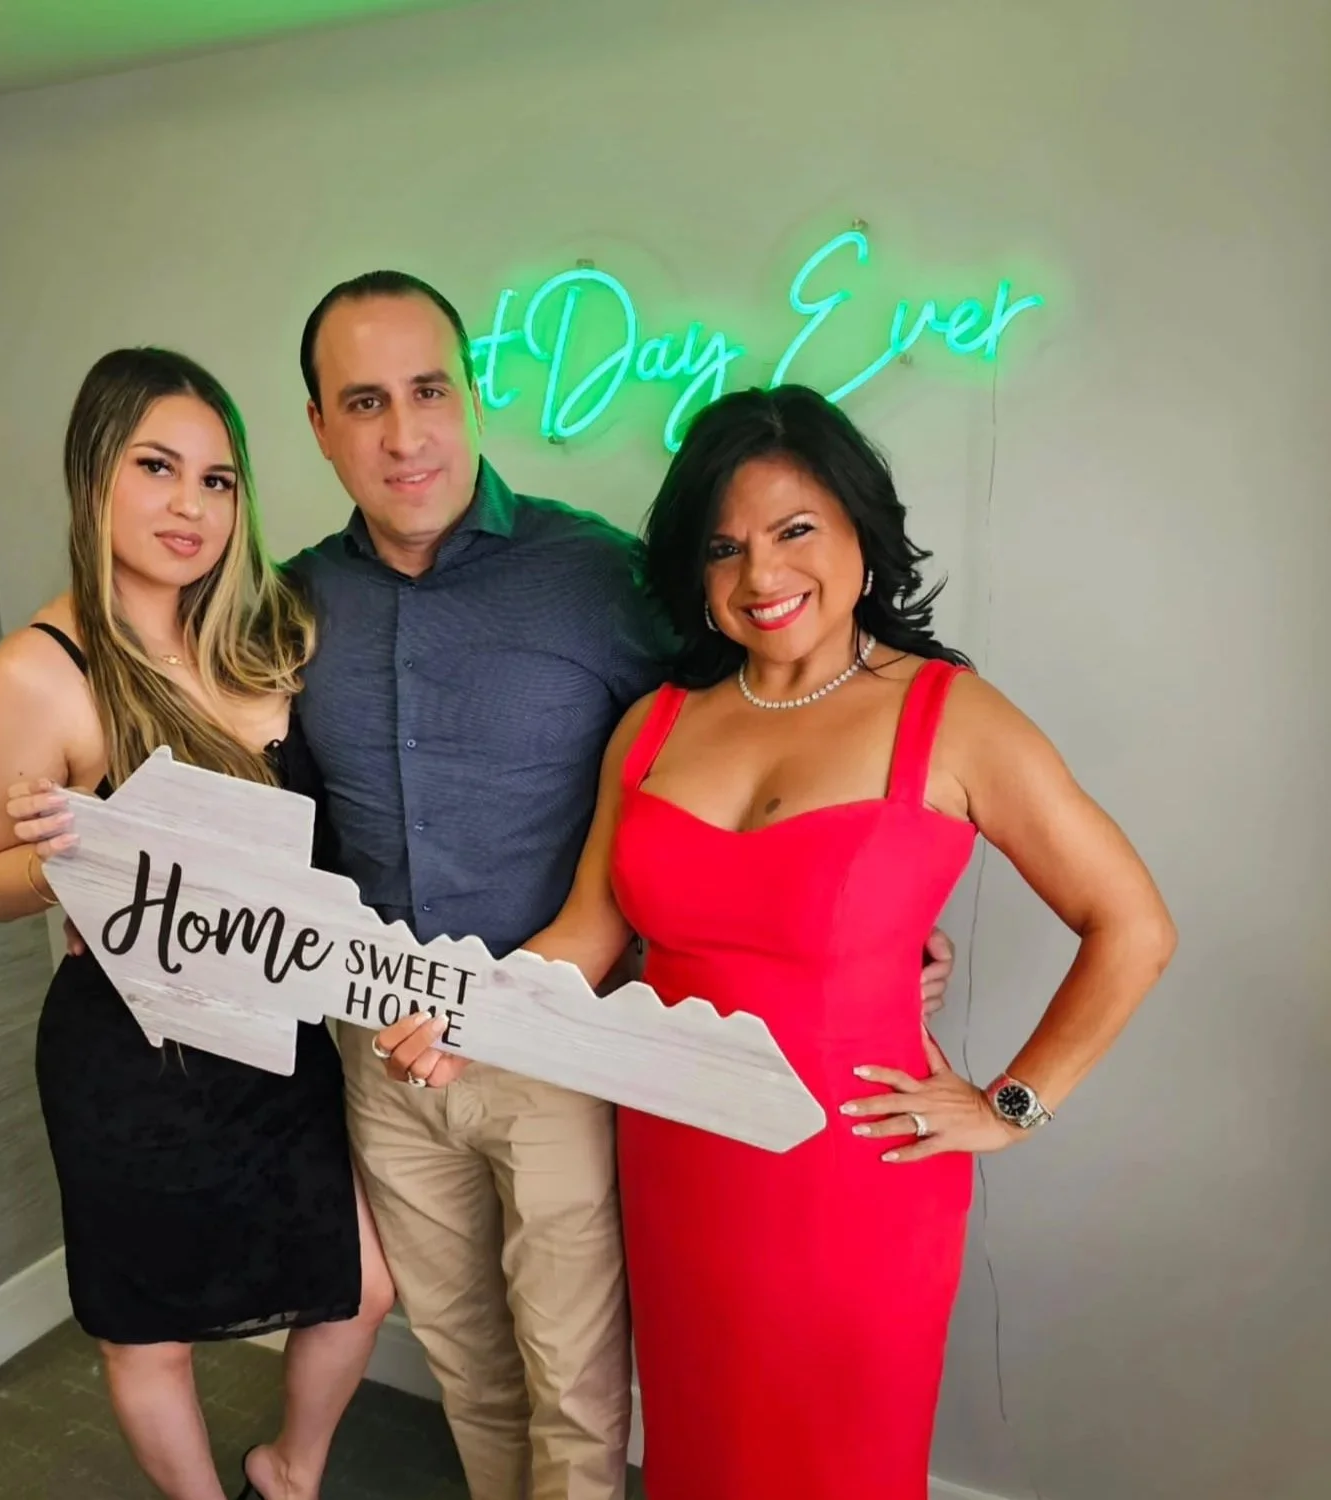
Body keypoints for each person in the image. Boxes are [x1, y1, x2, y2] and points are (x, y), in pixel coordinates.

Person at [378, 384, 1177, 1498]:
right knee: (705, 1456)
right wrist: (473, 1012)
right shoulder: (654, 723)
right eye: (724, 547)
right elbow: (585, 935)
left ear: (861, 530)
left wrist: (1013, 1105)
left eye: (795, 530)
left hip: (858, 1182)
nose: (762, 576)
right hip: (681, 1171)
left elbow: (1131, 924)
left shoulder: (953, 716)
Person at [288, 274, 955, 1499]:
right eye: (365, 401)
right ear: (321, 426)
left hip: (558, 1043)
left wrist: (872, 919)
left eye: (429, 389)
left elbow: (758, 715)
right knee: (462, 1359)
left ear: (473, 395)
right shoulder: (293, 602)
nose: (404, 432)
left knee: (576, 1377)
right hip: (379, 1040)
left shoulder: (591, 575)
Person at [0, 348, 394, 1500]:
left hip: (279, 1048)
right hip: (133, 1066)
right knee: (146, 1335)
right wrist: (69, 859)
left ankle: (286, 1475)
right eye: (157, 468)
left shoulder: (268, 637)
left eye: (217, 480)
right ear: (95, 472)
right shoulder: (38, 674)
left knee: (367, 1285)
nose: (189, 506)